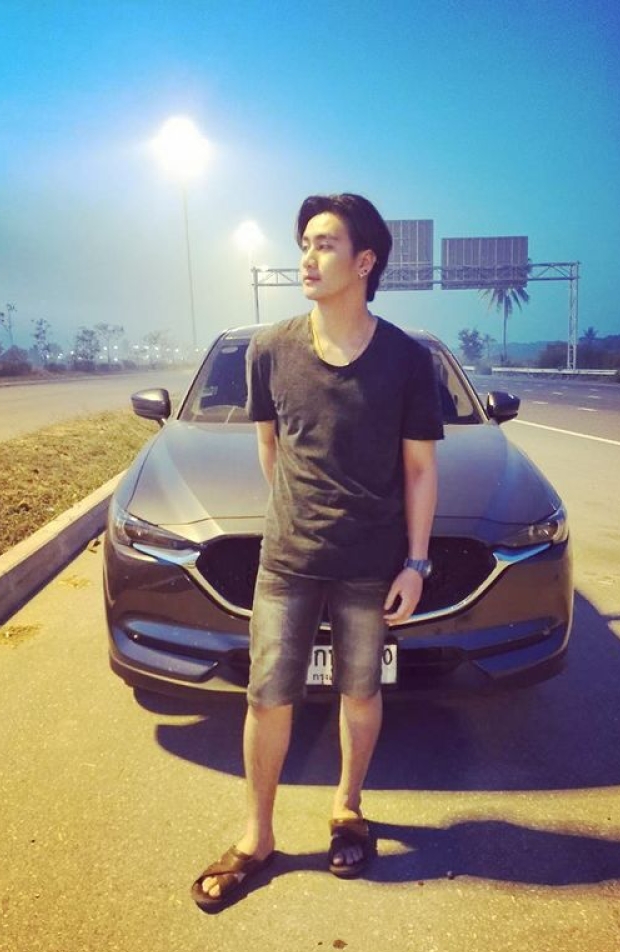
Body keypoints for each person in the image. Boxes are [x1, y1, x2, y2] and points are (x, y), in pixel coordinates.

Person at [191, 193, 444, 911]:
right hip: (287, 563)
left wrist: (416, 563)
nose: (307, 257)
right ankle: (257, 837)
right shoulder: (270, 350)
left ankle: (347, 809)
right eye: (304, 243)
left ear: (364, 262)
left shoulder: (406, 359)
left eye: (325, 243)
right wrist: (299, 516)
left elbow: (420, 469)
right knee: (267, 696)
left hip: (371, 563)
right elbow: (271, 450)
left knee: (360, 692)